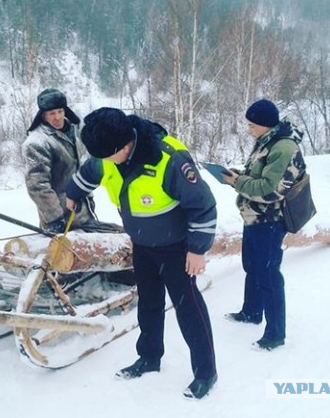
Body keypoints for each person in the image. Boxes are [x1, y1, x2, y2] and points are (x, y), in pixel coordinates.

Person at [65, 107, 218, 399]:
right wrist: (73, 192)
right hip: (142, 245)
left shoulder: (169, 160)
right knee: (148, 304)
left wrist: (198, 250)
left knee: (189, 310)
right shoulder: (107, 154)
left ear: (125, 146)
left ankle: (205, 372)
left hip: (177, 248)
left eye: (107, 156)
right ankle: (149, 358)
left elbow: (203, 205)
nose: (102, 162)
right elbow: (89, 171)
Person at [220, 99, 307, 351]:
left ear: (265, 125)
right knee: (252, 266)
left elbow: (270, 190)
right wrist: (237, 176)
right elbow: (258, 176)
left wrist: (237, 182)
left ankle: (275, 333)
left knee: (269, 274)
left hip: (271, 219)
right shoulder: (267, 141)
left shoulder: (284, 148)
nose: (248, 130)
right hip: (253, 216)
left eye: (252, 125)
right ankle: (251, 311)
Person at [22, 88, 98, 233]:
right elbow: (38, 186)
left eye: (60, 111)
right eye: (52, 113)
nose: (57, 117)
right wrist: (55, 219)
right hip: (61, 219)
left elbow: (79, 168)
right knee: (64, 255)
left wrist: (89, 197)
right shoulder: (36, 143)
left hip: (83, 212)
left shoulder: (73, 132)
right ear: (43, 116)